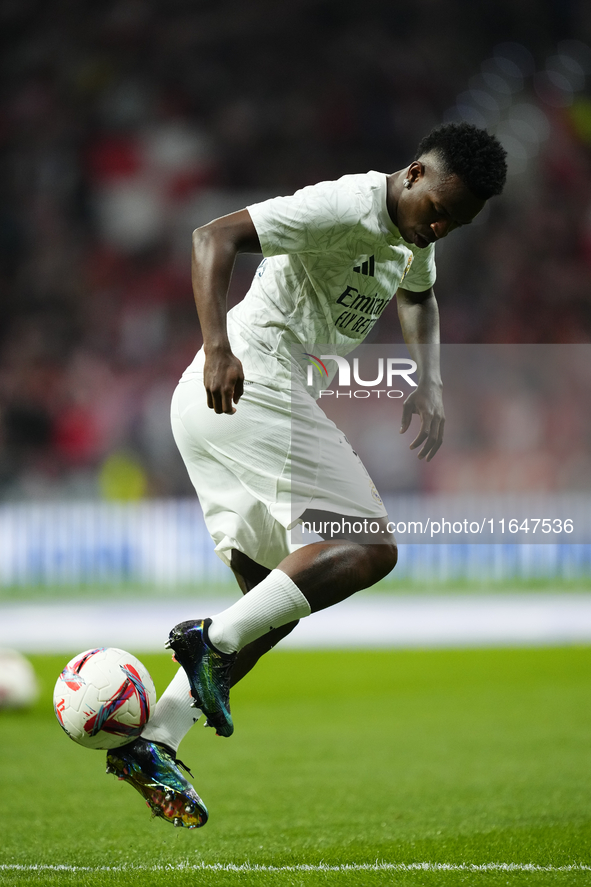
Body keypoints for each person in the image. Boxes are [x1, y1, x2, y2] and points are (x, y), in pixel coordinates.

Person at [105, 122, 507, 827]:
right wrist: (216, 348)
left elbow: (418, 295)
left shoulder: (414, 239)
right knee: (369, 546)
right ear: (413, 173)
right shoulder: (346, 204)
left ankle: (154, 740)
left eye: (456, 223)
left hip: (217, 409)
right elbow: (211, 236)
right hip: (245, 379)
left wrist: (429, 380)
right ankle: (206, 641)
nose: (439, 227)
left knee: (273, 603)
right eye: (438, 209)